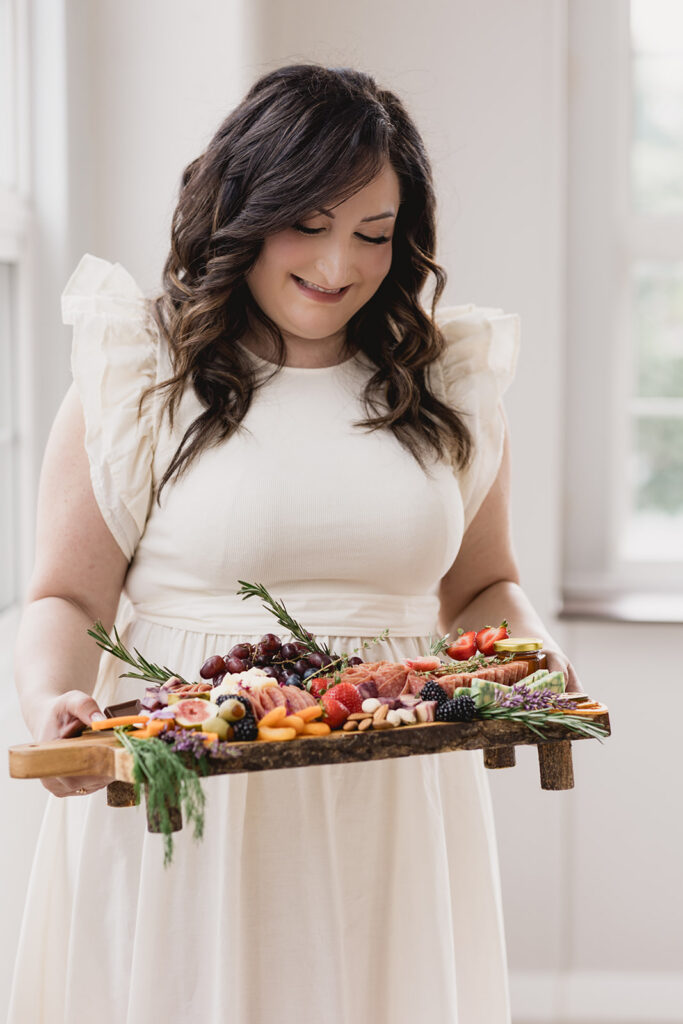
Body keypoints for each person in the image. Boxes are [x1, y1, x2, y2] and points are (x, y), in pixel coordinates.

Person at [10, 63, 580, 1023]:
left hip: (395, 790)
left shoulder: (447, 384)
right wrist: (49, 702)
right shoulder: (137, 374)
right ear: (242, 210)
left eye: (372, 233)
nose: (339, 264)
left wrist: (537, 660)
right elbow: (66, 595)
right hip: (187, 777)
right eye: (307, 224)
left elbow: (483, 587)